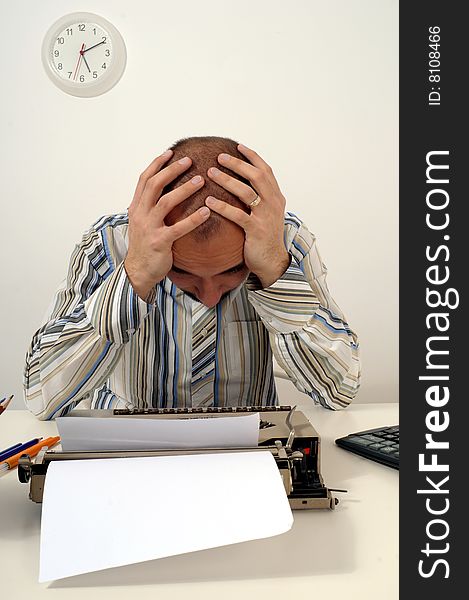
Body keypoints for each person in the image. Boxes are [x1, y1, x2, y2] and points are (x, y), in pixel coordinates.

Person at [24, 136, 360, 420]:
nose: (211, 297)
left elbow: (339, 391)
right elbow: (41, 397)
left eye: (232, 272)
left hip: (246, 461)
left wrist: (273, 267)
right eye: (182, 272)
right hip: (125, 455)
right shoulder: (108, 244)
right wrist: (136, 273)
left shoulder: (284, 242)